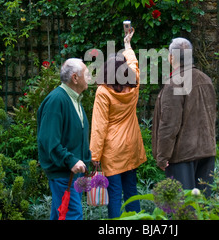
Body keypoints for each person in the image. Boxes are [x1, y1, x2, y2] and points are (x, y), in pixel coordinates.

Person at [90, 28, 147, 218]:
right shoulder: (134, 85)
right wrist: (128, 46)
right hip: (131, 145)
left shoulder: (103, 92)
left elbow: (99, 126)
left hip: (112, 150)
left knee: (114, 194)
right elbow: (133, 64)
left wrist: (94, 155)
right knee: (131, 192)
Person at [152, 37, 216, 195]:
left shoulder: (175, 83)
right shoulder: (206, 79)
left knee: (183, 208)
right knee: (204, 208)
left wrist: (162, 156)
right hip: (206, 152)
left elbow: (169, 125)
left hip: (182, 155)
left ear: (171, 57)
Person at [37, 58, 92, 220]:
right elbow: (49, 140)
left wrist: (86, 158)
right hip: (64, 172)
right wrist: (71, 161)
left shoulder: (74, 99)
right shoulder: (57, 100)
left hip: (72, 172)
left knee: (61, 214)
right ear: (75, 78)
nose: (89, 78)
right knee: (73, 214)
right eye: (87, 75)